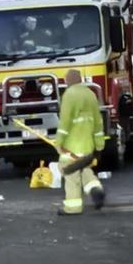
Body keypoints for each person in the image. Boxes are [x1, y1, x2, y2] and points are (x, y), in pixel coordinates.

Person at [54, 69, 105, 215]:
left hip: (72, 145)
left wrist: (59, 142)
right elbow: (97, 122)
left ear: (68, 81)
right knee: (84, 169)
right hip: (87, 144)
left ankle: (73, 207)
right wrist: (99, 144)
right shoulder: (90, 94)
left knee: (70, 174)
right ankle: (96, 189)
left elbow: (65, 122)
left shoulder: (69, 95)